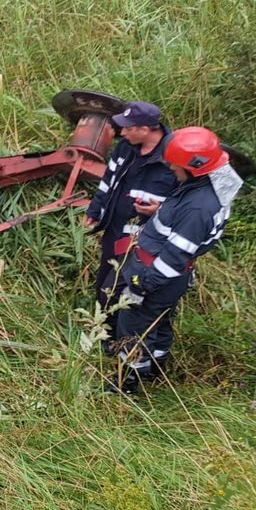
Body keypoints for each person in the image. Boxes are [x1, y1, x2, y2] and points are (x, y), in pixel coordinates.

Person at [106, 126, 243, 394]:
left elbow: (175, 256)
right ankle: (154, 368)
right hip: (166, 279)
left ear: (194, 167)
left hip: (156, 277)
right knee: (159, 322)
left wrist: (141, 284)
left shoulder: (198, 207)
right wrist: (163, 212)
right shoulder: (205, 185)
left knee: (134, 326)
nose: (170, 167)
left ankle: (127, 383)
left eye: (174, 164)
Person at [84, 100, 179, 345]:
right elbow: (109, 180)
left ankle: (118, 340)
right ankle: (104, 333)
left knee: (120, 289)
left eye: (128, 128)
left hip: (145, 239)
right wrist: (95, 209)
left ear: (146, 129)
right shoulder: (125, 147)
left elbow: (185, 201)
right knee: (104, 282)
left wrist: (160, 210)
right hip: (115, 229)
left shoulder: (174, 156)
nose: (122, 132)